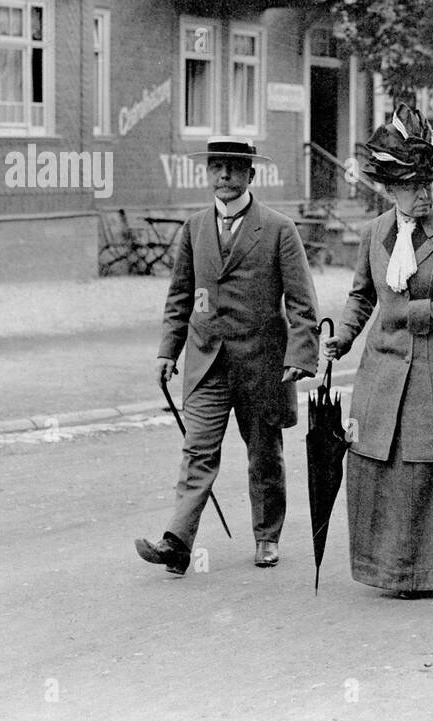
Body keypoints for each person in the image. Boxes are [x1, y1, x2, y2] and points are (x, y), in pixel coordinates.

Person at [322, 105, 433, 596]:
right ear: (390, 189)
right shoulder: (375, 234)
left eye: (427, 185)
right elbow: (362, 295)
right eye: (412, 186)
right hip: (386, 371)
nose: (423, 195)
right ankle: (389, 571)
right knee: (383, 468)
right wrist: (345, 336)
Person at [136, 137, 319, 575]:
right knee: (197, 450)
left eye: (234, 168)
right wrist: (167, 351)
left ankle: (267, 537)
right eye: (216, 167)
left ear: (251, 175)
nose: (224, 175)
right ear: (208, 173)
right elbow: (180, 296)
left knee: (264, 454)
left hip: (261, 364)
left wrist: (302, 354)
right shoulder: (195, 228)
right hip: (206, 362)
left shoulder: (278, 229)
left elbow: (301, 301)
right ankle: (177, 543)